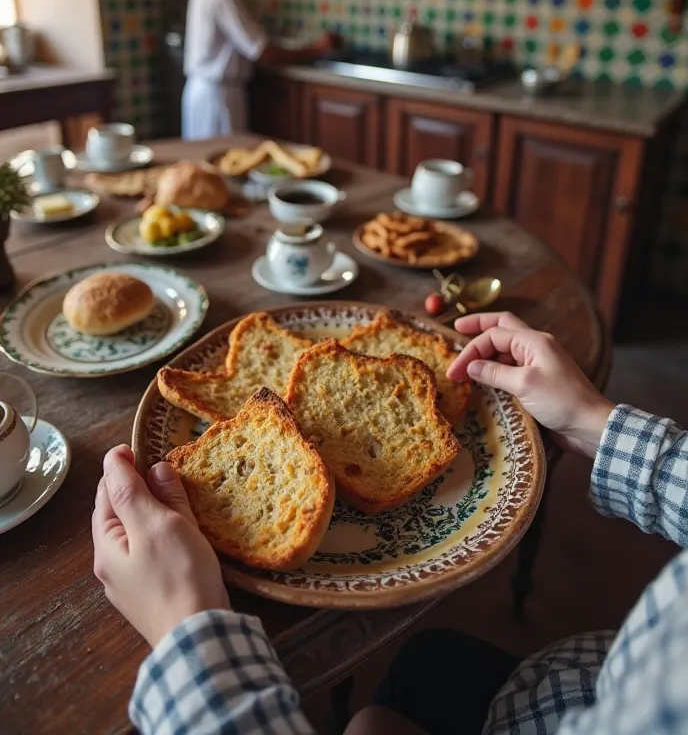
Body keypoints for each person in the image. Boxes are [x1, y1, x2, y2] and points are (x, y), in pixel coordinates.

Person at [92, 312, 688, 735]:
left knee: (390, 693)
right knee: (426, 661)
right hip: (570, 679)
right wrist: (596, 422)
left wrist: (184, 628)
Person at [181, 0, 335, 139]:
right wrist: (316, 48)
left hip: (202, 92)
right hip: (218, 99)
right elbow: (262, 52)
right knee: (224, 164)